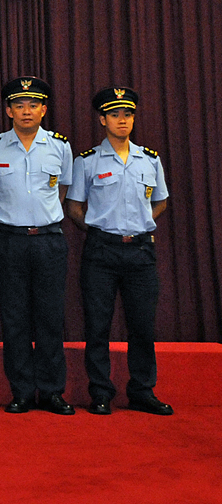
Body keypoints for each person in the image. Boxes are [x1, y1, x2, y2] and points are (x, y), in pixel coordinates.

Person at [66, 87, 172, 415]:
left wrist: (139, 223)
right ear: (103, 120)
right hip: (101, 252)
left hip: (140, 252)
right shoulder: (87, 161)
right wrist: (100, 230)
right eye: (114, 115)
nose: (122, 120)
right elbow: (74, 207)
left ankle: (142, 391)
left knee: (142, 326)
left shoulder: (149, 159)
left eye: (127, 114)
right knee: (98, 326)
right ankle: (100, 392)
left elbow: (161, 201)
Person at [0, 76, 74, 415]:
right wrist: (4, 223)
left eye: (33, 105)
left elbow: (63, 190)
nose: (26, 111)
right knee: (15, 319)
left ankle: (51, 392)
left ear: (44, 109)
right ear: (9, 111)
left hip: (49, 242)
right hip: (10, 243)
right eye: (19, 105)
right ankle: (20, 391)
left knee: (50, 319)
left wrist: (42, 219)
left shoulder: (60, 147)